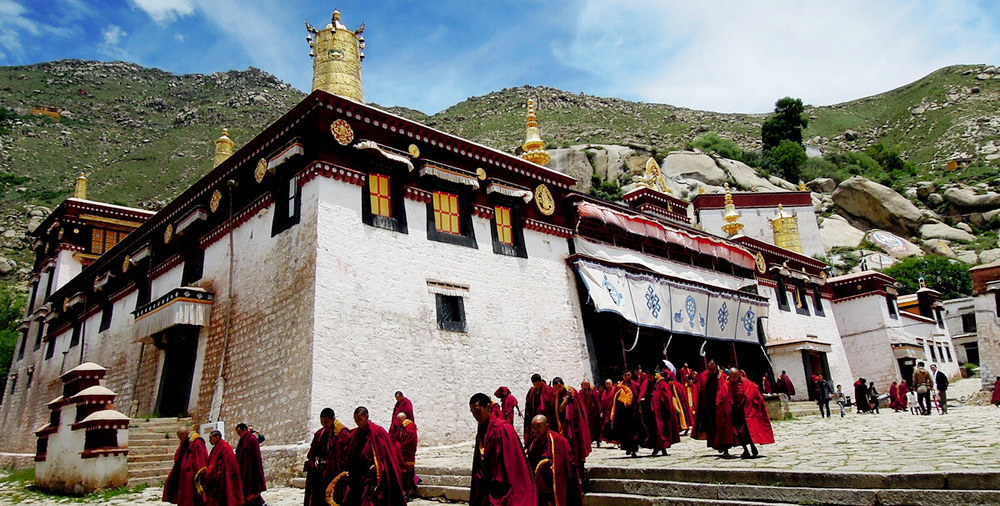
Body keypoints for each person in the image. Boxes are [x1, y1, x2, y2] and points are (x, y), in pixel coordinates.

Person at [469, 393, 536, 506]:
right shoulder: (482, 431)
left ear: (488, 407)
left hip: (503, 490)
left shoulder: (503, 429)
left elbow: (513, 466)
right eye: (473, 412)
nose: (475, 416)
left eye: (477, 411)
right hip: (488, 490)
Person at [344, 406, 407, 506]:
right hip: (358, 475)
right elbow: (350, 454)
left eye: (359, 419)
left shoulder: (378, 432)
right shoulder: (355, 434)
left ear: (367, 416)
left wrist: (377, 466)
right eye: (355, 419)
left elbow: (386, 457)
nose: (357, 422)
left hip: (372, 477)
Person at [527, 415, 583, 506]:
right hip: (539, 484)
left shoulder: (559, 441)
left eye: (539, 426)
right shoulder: (532, 442)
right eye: (534, 427)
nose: (536, 430)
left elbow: (567, 463)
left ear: (547, 426)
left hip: (555, 482)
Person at [720, 368, 774, 459]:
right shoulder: (726, 385)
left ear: (739, 375)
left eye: (735, 377)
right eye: (731, 377)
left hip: (747, 413)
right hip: (734, 413)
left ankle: (753, 447)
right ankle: (745, 450)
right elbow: (722, 399)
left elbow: (756, 396)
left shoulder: (748, 384)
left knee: (748, 432)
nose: (733, 379)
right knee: (738, 434)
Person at [303, 408, 350, 506]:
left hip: (334, 473)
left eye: (326, 422)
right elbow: (313, 453)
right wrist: (316, 459)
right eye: (322, 422)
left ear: (333, 420)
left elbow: (345, 457)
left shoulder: (342, 434)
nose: (324, 425)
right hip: (321, 474)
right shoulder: (320, 434)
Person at [551, 377, 591, 475]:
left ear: (563, 384)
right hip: (565, 425)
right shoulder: (558, 396)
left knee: (578, 447)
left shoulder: (572, 392)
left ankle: (581, 472)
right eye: (556, 387)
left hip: (576, 425)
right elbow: (560, 410)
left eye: (559, 386)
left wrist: (569, 396)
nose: (558, 389)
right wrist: (567, 398)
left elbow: (578, 409)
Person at [692, 360, 730, 455]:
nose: (711, 371)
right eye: (709, 369)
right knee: (712, 428)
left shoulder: (722, 376)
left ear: (717, 368)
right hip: (708, 406)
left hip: (720, 406)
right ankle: (716, 444)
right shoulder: (704, 376)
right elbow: (699, 389)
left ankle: (725, 447)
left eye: (713, 369)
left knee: (722, 428)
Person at [163, 428, 208, 506]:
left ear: (186, 433)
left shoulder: (196, 441)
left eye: (181, 437)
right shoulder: (185, 441)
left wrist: (200, 476)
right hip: (184, 475)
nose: (180, 439)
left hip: (192, 474)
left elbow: (200, 459)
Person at [204, 430, 243, 506]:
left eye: (211, 439)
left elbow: (226, 465)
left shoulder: (225, 447)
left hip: (225, 477)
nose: (209, 441)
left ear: (217, 437)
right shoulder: (217, 447)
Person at [234, 423, 266, 506]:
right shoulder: (243, 439)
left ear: (244, 430)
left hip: (250, 470)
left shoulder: (251, 439)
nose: (239, 435)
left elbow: (254, 457)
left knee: (251, 494)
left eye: (239, 433)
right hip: (244, 469)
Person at [648, 372, 679, 456]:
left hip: (662, 411)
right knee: (655, 431)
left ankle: (662, 448)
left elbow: (666, 397)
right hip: (652, 411)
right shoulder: (651, 383)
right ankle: (658, 447)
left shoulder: (662, 383)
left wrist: (655, 397)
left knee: (661, 430)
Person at [609, 371, 639, 457]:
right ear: (623, 376)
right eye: (626, 375)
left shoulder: (635, 385)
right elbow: (615, 399)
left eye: (629, 375)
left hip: (633, 412)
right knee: (625, 432)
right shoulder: (619, 387)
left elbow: (637, 396)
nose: (627, 377)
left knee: (633, 432)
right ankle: (628, 448)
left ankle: (634, 450)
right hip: (623, 413)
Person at [524, 373, 557, 447]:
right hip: (535, 416)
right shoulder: (532, 391)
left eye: (538, 385)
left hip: (547, 418)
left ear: (541, 381)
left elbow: (552, 403)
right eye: (535, 385)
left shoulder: (548, 390)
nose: (537, 387)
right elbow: (528, 403)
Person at [394, 412, 418, 498]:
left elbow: (410, 440)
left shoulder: (410, 426)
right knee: (405, 472)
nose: (397, 421)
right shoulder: (402, 426)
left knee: (408, 471)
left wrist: (400, 448)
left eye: (398, 420)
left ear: (402, 419)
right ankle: (411, 487)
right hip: (403, 453)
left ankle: (409, 490)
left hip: (407, 453)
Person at [578, 380, 603, 447]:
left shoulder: (593, 392)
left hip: (593, 413)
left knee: (596, 427)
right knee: (588, 427)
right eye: (585, 384)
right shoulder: (581, 393)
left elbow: (597, 401)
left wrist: (600, 410)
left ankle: (598, 440)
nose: (586, 386)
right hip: (586, 413)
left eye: (587, 384)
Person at [599, 379, 616, 444]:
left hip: (613, 410)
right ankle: (610, 440)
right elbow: (603, 402)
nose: (608, 385)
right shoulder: (605, 392)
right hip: (607, 411)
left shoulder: (614, 390)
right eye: (606, 384)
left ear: (612, 384)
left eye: (609, 384)